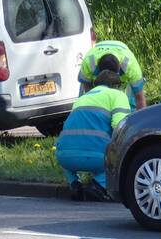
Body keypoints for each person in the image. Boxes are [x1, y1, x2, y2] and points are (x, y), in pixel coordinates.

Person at [56, 65, 131, 202]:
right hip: (96, 158)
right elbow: (120, 127)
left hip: (65, 157)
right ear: (117, 86)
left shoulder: (81, 99)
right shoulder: (117, 95)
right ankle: (98, 185)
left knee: (67, 147)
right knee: (121, 150)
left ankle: (75, 184)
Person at [78, 40, 146, 110]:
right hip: (96, 54)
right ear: (99, 71)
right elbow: (87, 89)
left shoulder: (131, 66)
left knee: (130, 100)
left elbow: (140, 97)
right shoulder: (89, 63)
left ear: (119, 68)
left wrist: (141, 119)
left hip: (122, 51)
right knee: (85, 100)